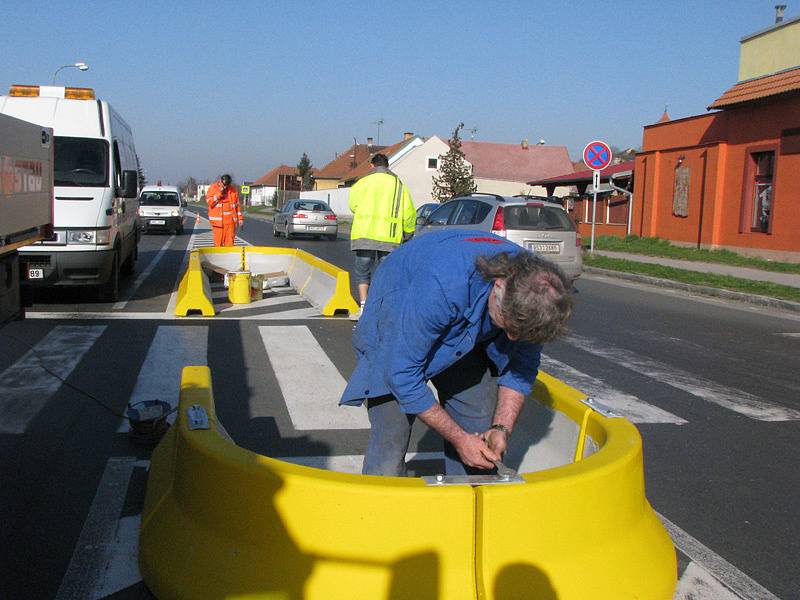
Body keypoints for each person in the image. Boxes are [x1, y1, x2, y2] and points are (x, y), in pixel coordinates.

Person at [340, 229, 573, 476]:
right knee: (390, 438)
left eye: (519, 331)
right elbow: (402, 375)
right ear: (499, 285)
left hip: (462, 322)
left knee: (479, 436)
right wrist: (460, 439)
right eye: (508, 324)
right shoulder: (444, 283)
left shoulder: (537, 296)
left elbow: (521, 368)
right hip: (401, 306)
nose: (512, 337)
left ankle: (461, 504)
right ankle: (383, 505)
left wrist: (501, 428)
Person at [348, 153, 416, 320]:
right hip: (390, 237)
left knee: (363, 273)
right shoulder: (398, 184)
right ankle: (382, 308)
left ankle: (364, 307)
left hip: (364, 235)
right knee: (385, 274)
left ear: (372, 166)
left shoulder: (362, 182)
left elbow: (353, 205)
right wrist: (408, 233)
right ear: (387, 166)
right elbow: (408, 212)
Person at [206, 174, 243, 246]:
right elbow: (210, 202)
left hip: (230, 223)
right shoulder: (213, 188)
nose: (226, 187)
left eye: (227, 185)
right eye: (224, 185)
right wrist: (219, 193)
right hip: (218, 223)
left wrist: (240, 219)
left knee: (229, 245)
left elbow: (237, 206)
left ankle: (228, 257)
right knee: (218, 245)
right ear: (220, 181)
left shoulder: (233, 190)